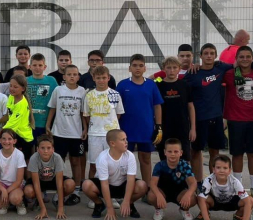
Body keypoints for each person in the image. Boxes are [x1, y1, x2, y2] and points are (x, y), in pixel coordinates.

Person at [183, 43, 233, 181]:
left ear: (216, 55)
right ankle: (197, 182)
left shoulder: (220, 68)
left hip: (216, 117)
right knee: (195, 151)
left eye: (212, 53)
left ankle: (214, 182)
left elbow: (237, 65)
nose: (209, 56)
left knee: (215, 152)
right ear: (200, 56)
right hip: (199, 119)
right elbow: (182, 89)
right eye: (206, 53)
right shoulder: (193, 73)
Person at [82, 129, 148, 220]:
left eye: (126, 139)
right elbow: (104, 184)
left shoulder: (130, 156)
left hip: (123, 185)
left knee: (142, 185)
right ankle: (99, 204)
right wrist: (110, 208)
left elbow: (131, 180)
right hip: (107, 186)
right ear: (112, 143)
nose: (126, 142)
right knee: (86, 185)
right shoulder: (103, 158)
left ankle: (129, 204)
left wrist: (126, 201)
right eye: (122, 140)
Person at [116, 54, 164, 184]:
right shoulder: (122, 85)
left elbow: (157, 106)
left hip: (146, 129)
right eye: (135, 65)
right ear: (129, 68)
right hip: (126, 130)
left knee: (145, 158)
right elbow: (116, 107)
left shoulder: (151, 85)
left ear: (145, 68)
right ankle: (124, 187)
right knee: (125, 161)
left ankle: (147, 188)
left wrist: (159, 126)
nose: (138, 68)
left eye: (141, 65)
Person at [223, 46, 253, 198]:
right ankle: (238, 186)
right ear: (236, 59)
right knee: (237, 154)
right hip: (235, 119)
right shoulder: (229, 74)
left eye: (248, 56)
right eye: (241, 57)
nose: (245, 59)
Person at [46, 64, 86, 194]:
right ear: (64, 77)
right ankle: (59, 187)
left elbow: (83, 112)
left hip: (76, 134)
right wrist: (48, 125)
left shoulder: (82, 91)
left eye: (75, 74)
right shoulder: (58, 90)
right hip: (59, 133)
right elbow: (53, 108)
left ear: (78, 77)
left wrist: (85, 128)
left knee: (75, 161)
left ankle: (77, 189)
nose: (72, 77)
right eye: (69, 74)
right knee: (59, 161)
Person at [82, 65, 124, 189]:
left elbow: (118, 114)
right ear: (93, 78)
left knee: (113, 164)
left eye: (104, 78)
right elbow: (87, 115)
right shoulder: (89, 95)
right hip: (94, 135)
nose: (101, 80)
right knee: (94, 165)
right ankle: (93, 192)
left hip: (112, 136)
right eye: (98, 78)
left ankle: (113, 192)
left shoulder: (115, 94)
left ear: (108, 78)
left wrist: (111, 127)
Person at [197, 154, 253, 220]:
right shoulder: (209, 180)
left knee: (250, 200)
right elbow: (202, 200)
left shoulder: (235, 181)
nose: (221, 170)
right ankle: (205, 215)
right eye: (218, 167)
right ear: (213, 169)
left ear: (230, 170)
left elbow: (247, 202)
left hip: (231, 202)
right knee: (200, 197)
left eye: (225, 168)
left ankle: (238, 216)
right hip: (215, 202)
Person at [146, 139, 197, 220]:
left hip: (180, 193)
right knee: (151, 195)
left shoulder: (185, 165)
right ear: (165, 152)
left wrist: (188, 194)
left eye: (176, 151)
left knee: (193, 197)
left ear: (181, 153)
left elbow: (193, 183)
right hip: (163, 192)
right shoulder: (160, 165)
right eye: (169, 151)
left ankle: (184, 209)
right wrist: (158, 195)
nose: (173, 154)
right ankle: (158, 209)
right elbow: (152, 183)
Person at [27, 135, 76, 220]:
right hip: (40, 181)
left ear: (53, 149)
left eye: (48, 148)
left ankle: (57, 199)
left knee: (70, 184)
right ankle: (39, 201)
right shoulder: (34, 158)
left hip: (53, 180)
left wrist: (61, 207)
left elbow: (59, 183)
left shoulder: (57, 158)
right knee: (28, 191)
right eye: (42, 148)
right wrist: (43, 209)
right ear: (37, 149)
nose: (45, 151)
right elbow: (36, 184)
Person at [154, 56, 194, 162]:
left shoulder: (185, 85)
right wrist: (158, 127)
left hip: (182, 127)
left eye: (174, 67)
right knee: (165, 158)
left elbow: (190, 107)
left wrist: (193, 128)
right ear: (163, 69)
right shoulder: (158, 86)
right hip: (165, 127)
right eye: (169, 67)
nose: (171, 70)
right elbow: (155, 107)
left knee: (184, 158)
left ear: (179, 69)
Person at [0, 129, 27, 215]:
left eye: (9, 139)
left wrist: (4, 193)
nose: (6, 141)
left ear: (14, 141)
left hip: (15, 184)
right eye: (4, 139)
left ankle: (19, 203)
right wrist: (3, 191)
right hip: (2, 183)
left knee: (15, 198)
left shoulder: (19, 154)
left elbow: (19, 180)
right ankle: (5, 201)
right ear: (0, 140)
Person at [26, 53, 59, 141]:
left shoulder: (51, 80)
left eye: (40, 65)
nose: (37, 68)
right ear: (30, 67)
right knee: (29, 148)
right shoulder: (25, 81)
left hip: (45, 123)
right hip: (28, 124)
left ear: (45, 67)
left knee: (44, 147)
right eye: (34, 65)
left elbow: (55, 103)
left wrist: (48, 124)